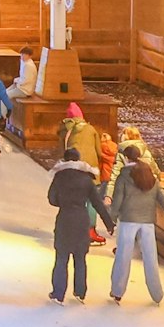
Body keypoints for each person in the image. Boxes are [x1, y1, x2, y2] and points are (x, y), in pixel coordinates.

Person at [109, 143, 164, 305]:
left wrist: (111, 220)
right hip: (147, 222)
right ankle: (157, 294)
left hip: (128, 221)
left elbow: (117, 201)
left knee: (123, 257)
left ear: (125, 158)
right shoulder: (151, 177)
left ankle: (117, 291)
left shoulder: (124, 177)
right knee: (150, 259)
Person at [47, 146, 115, 304]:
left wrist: (63, 202)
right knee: (80, 258)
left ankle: (58, 293)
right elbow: (97, 203)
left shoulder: (59, 176)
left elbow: (51, 198)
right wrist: (109, 223)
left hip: (65, 219)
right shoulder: (86, 178)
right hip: (81, 220)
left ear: (65, 159)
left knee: (61, 257)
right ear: (78, 159)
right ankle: (80, 292)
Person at [56, 103, 107, 246]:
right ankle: (90, 231)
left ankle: (71, 230)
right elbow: (99, 151)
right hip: (89, 170)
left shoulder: (64, 130)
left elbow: (62, 151)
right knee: (92, 200)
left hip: (71, 170)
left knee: (74, 199)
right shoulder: (90, 129)